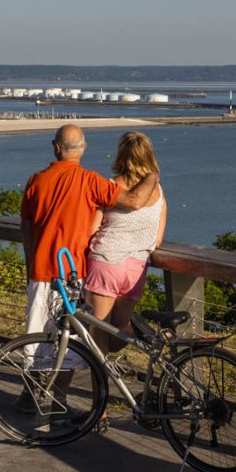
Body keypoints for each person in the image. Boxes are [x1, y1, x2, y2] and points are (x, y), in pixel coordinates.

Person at [17, 124, 159, 412]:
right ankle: (60, 399)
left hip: (42, 269)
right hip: (75, 272)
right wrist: (153, 175)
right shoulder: (90, 182)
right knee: (68, 340)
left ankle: (30, 395)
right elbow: (132, 201)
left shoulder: (36, 180)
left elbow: (27, 227)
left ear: (56, 147)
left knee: (37, 336)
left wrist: (31, 262)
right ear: (83, 148)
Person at [83, 131, 166, 360]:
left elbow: (91, 230)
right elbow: (157, 238)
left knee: (99, 330)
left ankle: (100, 389)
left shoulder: (109, 186)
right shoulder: (158, 192)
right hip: (136, 268)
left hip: (106, 263)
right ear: (149, 156)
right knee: (120, 328)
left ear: (121, 155)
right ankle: (142, 334)